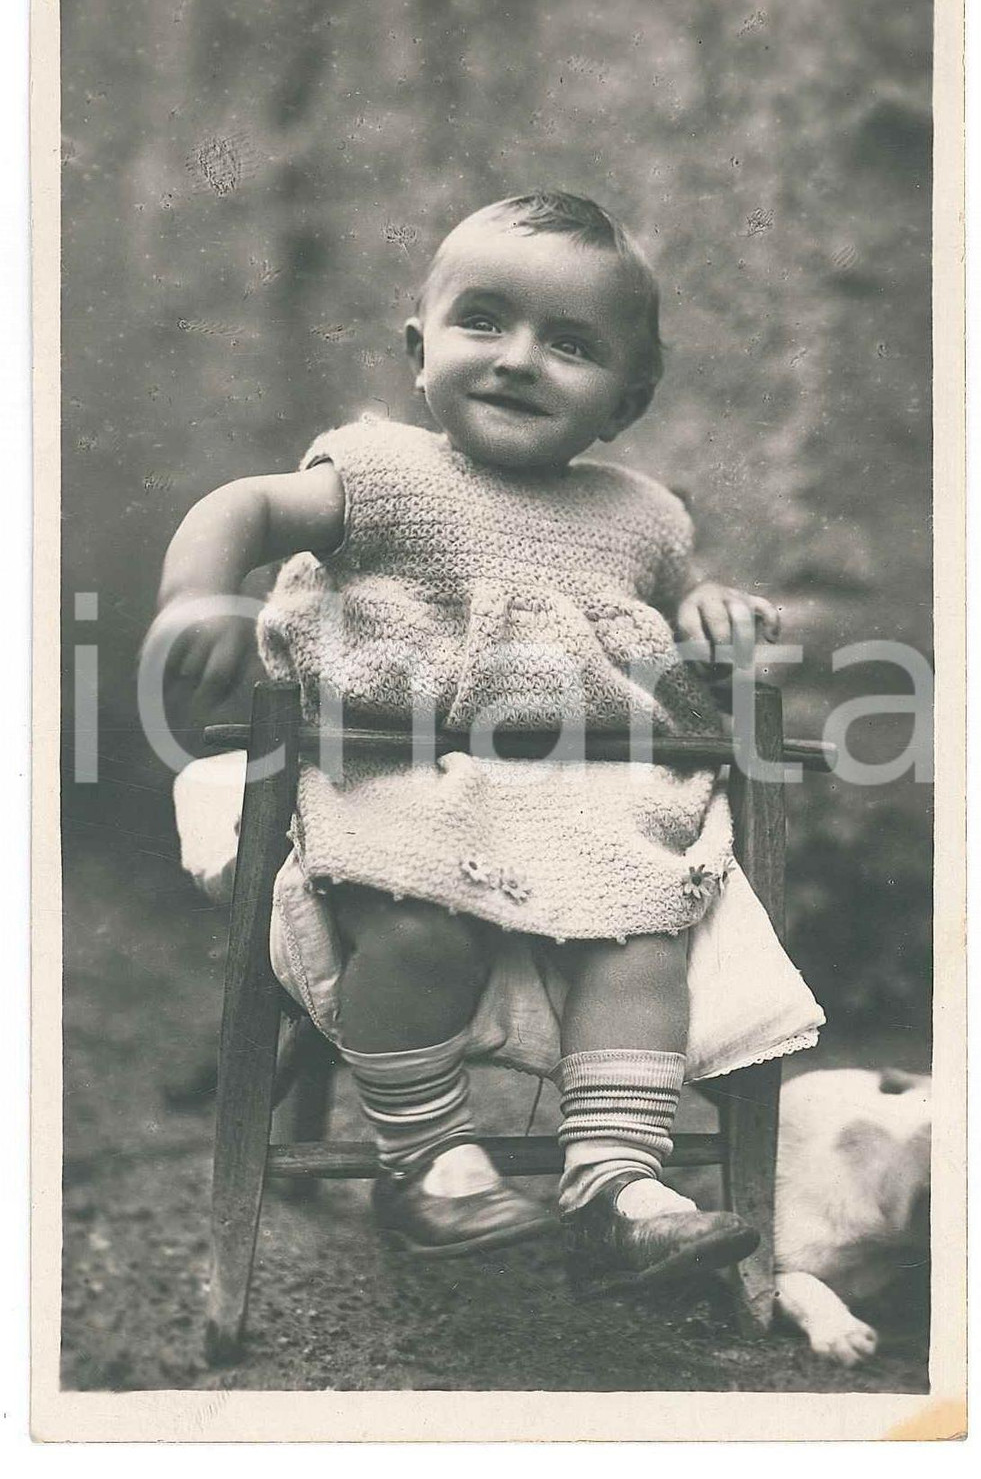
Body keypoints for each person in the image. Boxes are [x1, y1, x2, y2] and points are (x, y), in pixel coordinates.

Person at [144, 191, 823, 1299]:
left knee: (642, 939)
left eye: (570, 345)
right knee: (422, 936)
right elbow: (243, 508)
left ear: (628, 397)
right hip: (394, 773)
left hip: (574, 800)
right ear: (419, 351)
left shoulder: (642, 516)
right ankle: (424, 1160)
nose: (517, 360)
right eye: (483, 323)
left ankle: (616, 1184)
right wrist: (195, 598)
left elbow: (683, 604)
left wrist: (712, 614)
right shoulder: (381, 475)